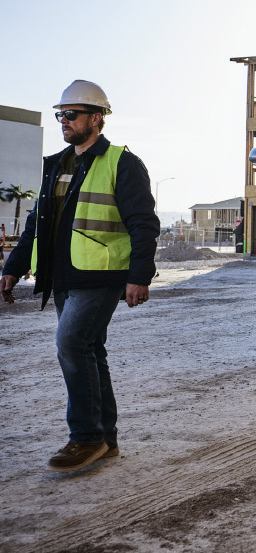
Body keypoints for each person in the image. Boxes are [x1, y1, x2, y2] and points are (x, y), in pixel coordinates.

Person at [0, 80, 159, 472]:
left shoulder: (122, 162)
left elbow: (144, 224)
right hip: (63, 278)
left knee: (71, 344)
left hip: (102, 275)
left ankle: (85, 439)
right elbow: (39, 222)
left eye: (72, 115)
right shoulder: (57, 164)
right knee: (90, 351)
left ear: (97, 119)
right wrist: (14, 266)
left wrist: (140, 276)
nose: (64, 121)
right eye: (61, 115)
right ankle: (106, 439)